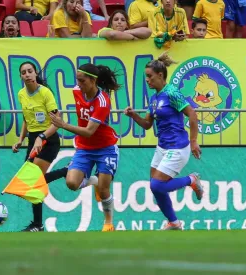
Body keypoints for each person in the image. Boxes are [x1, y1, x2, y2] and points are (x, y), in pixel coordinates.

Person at [123, 53, 204, 231]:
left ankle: (191, 180)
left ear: (160, 75)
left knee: (157, 184)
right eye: (146, 76)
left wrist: (193, 141)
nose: (147, 80)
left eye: (150, 76)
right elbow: (146, 124)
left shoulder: (172, 93)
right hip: (162, 147)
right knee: (156, 186)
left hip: (178, 146)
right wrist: (133, 115)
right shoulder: (154, 99)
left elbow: (192, 114)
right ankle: (174, 222)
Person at [49, 63, 120, 232]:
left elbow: (88, 131)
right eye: (77, 80)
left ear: (93, 80)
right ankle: (94, 180)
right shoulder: (77, 91)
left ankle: (108, 223)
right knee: (72, 183)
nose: (79, 84)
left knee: (104, 190)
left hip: (106, 148)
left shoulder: (103, 101)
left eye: (82, 81)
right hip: (85, 148)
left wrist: (63, 125)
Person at [12, 61, 70, 232]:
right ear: (21, 76)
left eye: (30, 71)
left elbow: (57, 122)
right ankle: (37, 224)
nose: (27, 74)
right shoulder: (21, 94)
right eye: (24, 72)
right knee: (32, 184)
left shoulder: (45, 93)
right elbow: (25, 118)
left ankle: (66, 171)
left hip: (49, 139)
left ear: (35, 73)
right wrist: (21, 140)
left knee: (34, 181)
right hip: (32, 139)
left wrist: (42, 137)